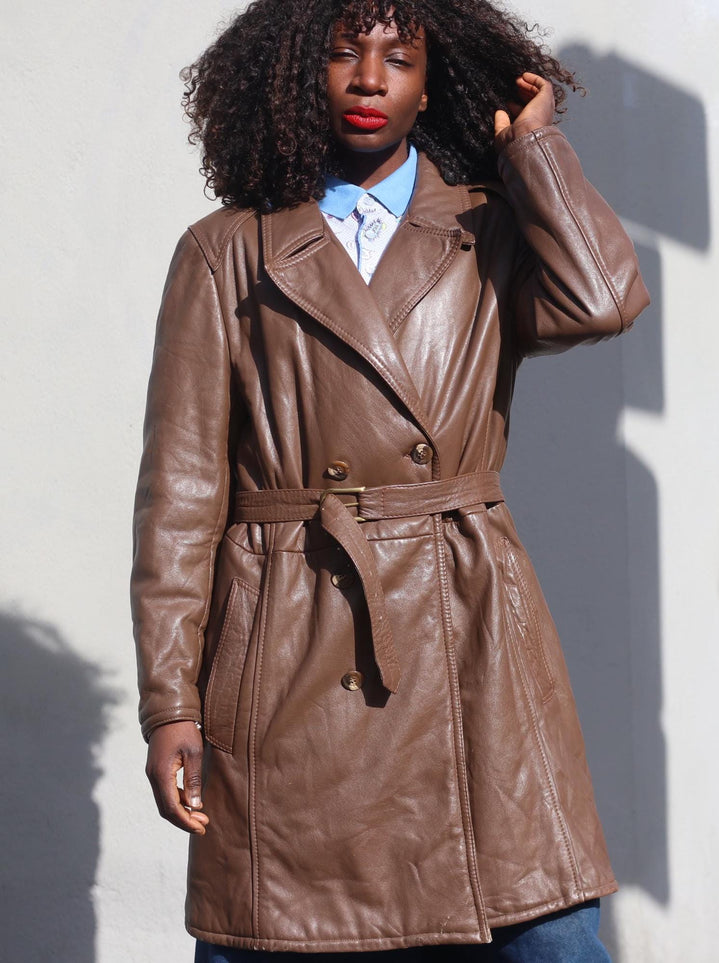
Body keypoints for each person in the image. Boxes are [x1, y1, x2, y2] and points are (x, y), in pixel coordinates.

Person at [130, 1, 649, 958]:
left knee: (545, 928)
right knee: (279, 927)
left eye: (399, 58)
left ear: (433, 84)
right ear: (295, 73)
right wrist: (171, 703)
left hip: (469, 625)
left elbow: (605, 298)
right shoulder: (227, 249)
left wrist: (534, 152)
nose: (369, 79)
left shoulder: (489, 226)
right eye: (343, 52)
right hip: (289, 635)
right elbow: (180, 500)